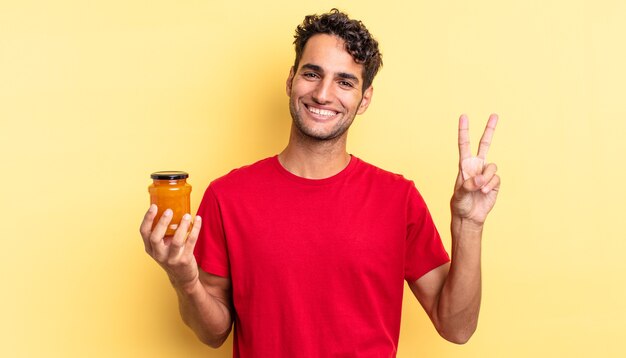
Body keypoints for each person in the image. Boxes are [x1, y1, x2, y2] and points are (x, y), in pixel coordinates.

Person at [140, 8, 500, 357]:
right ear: (291, 79)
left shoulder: (398, 198)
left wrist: (468, 225)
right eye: (312, 74)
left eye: (345, 82)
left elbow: (457, 328)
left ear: (364, 100)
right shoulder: (227, 196)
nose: (324, 94)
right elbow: (213, 333)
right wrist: (184, 280)